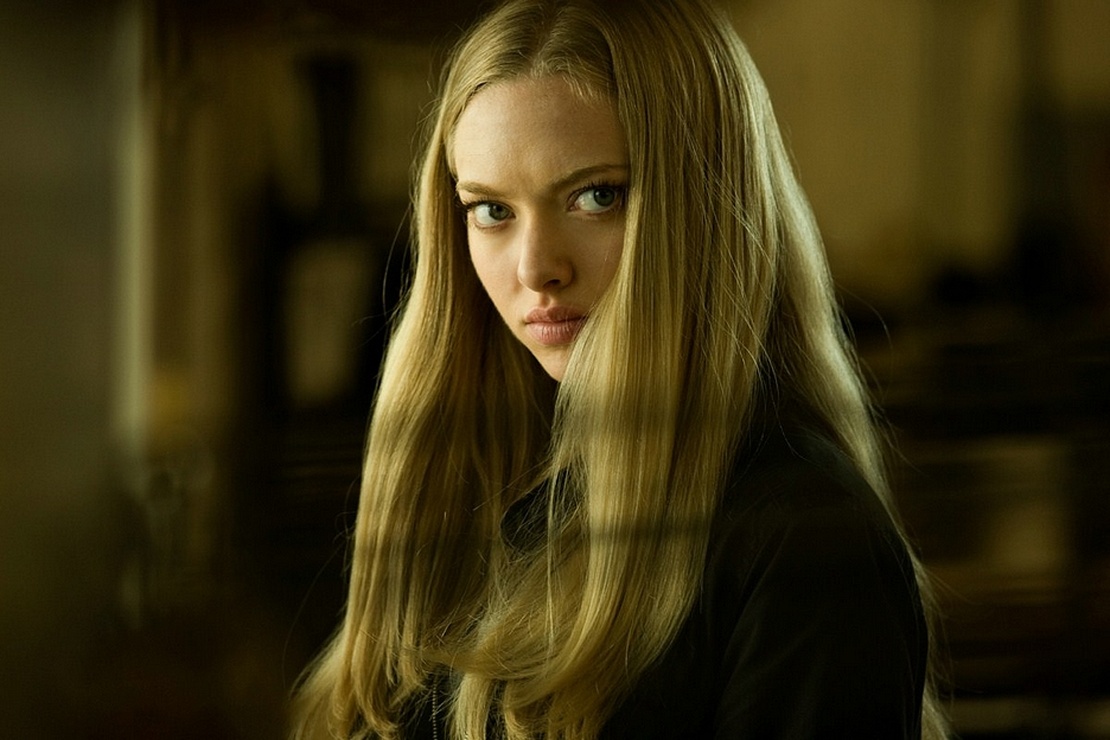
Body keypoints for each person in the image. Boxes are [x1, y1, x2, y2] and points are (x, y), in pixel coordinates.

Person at [290, 0, 949, 737]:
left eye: (595, 197)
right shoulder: (467, 483)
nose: (536, 268)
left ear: (704, 208)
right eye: (491, 211)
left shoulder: (807, 541)